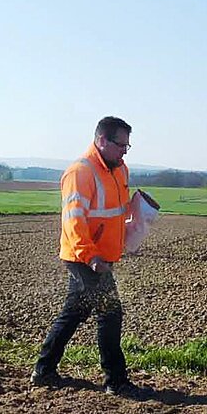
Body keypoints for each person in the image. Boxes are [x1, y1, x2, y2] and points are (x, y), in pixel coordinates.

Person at [31, 116, 144, 396]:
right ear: (101, 140)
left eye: (127, 146)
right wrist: (91, 257)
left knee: (74, 312)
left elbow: (115, 210)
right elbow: (74, 221)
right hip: (85, 257)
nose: (124, 151)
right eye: (121, 145)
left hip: (103, 256)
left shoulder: (120, 170)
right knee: (110, 312)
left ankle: (44, 370)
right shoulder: (80, 172)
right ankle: (115, 381)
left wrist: (139, 212)